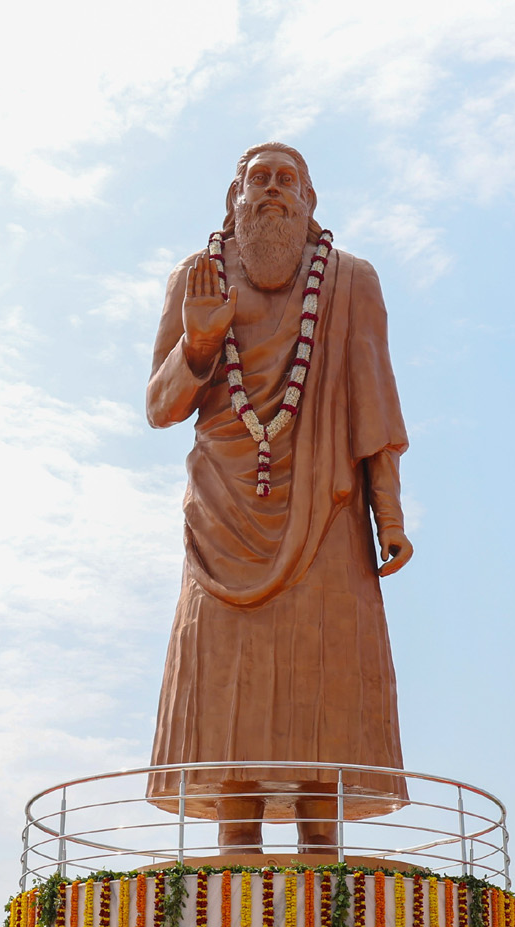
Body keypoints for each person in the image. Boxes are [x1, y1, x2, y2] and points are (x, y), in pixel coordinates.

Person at [143, 142, 414, 855]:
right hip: (222, 513)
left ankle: (322, 863)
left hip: (327, 509)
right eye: (257, 180)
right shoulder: (196, 277)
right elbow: (160, 407)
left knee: (323, 692)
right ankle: (237, 861)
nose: (271, 191)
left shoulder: (351, 280)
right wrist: (199, 345)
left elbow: (375, 403)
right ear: (234, 199)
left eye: (286, 180)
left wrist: (389, 514)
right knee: (228, 696)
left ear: (308, 201)